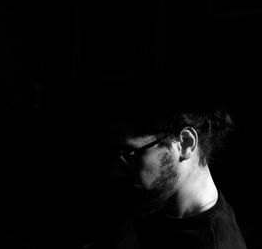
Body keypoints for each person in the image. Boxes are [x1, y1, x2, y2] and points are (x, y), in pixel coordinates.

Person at [82, 74, 248, 249]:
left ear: (186, 143)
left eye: (130, 153)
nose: (115, 171)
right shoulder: (154, 200)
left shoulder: (218, 244)